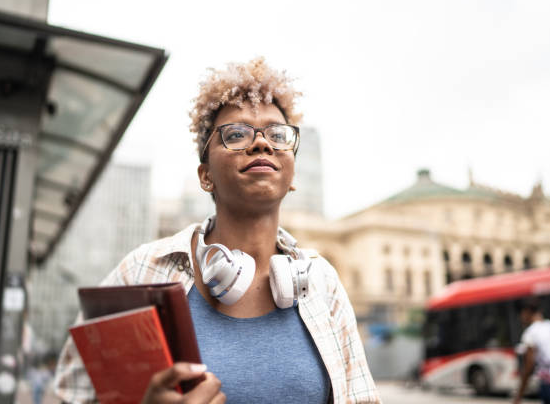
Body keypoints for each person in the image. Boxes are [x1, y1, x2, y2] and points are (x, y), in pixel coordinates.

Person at [53, 57, 380, 404]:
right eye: (236, 134)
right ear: (205, 175)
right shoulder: (141, 270)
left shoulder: (322, 282)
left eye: (277, 134)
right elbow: (66, 397)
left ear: (292, 173)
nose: (262, 144)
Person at [513, 298, 550, 404]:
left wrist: (519, 395)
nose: (521, 317)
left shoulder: (530, 333)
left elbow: (529, 366)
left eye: (521, 314)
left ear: (526, 311)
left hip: (549, 386)